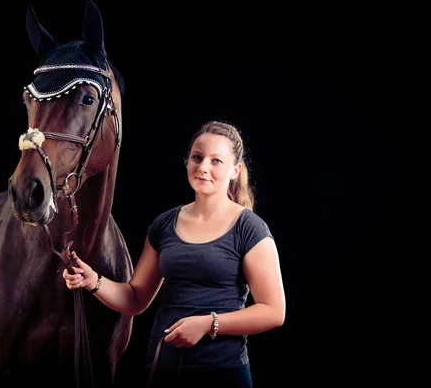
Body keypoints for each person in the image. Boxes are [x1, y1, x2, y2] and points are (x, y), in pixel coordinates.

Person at [63, 120, 286, 388]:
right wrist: (93, 281)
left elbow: (274, 311)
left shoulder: (249, 228)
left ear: (235, 170)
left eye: (216, 161)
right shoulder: (164, 224)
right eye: (197, 157)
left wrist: (208, 324)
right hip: (163, 369)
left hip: (223, 374)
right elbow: (136, 299)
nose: (203, 167)